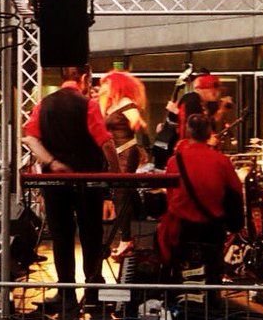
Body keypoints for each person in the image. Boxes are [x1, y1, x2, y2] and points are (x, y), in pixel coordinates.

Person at [21, 66, 118, 319]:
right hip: (87, 182)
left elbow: (30, 139)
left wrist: (52, 162)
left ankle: (66, 296)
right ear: (84, 78)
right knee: (90, 234)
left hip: (55, 183)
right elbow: (105, 142)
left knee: (62, 237)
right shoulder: (88, 104)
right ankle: (94, 293)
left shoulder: (44, 104)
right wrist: (117, 174)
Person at [158, 115, 242, 284]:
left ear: (188, 131)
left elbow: (170, 195)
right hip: (212, 227)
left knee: (179, 268)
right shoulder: (222, 161)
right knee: (212, 269)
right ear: (210, 133)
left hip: (182, 226)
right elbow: (236, 192)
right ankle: (211, 298)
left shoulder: (175, 161)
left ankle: (177, 296)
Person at [98, 70, 148, 259]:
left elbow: (135, 121)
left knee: (121, 193)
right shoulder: (111, 105)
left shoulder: (126, 103)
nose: (102, 87)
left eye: (106, 84)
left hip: (126, 151)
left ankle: (126, 239)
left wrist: (135, 121)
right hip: (116, 153)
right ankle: (125, 238)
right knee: (120, 193)